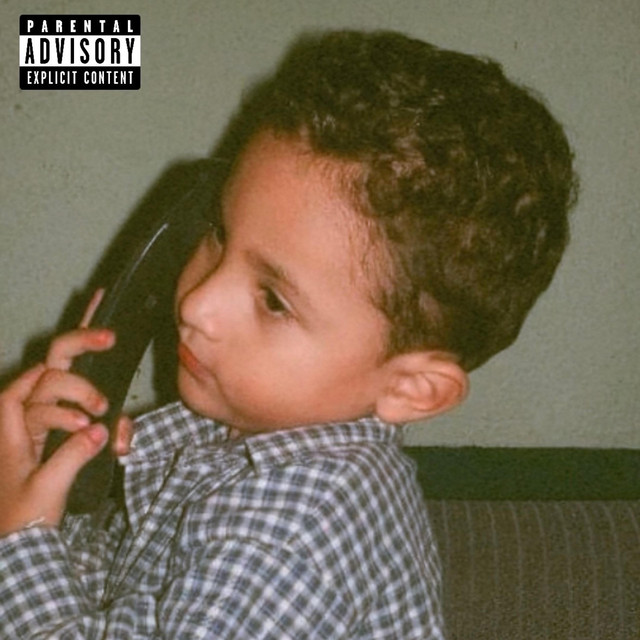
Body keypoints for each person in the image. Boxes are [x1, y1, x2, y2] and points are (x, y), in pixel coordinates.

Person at [0, 30, 576, 638]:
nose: (197, 304)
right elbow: (121, 603)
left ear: (411, 389)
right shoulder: (238, 437)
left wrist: (17, 542)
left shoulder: (294, 531)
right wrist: (43, 496)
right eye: (218, 232)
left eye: (274, 300)